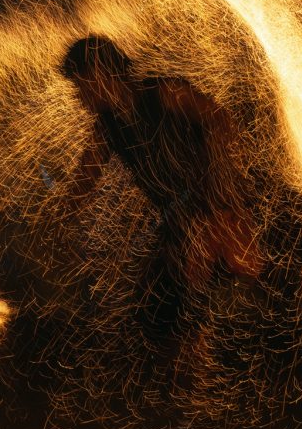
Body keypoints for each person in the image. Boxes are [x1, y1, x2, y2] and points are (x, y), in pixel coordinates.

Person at [58, 35, 263, 365]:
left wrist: (220, 203)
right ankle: (194, 375)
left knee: (247, 278)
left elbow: (220, 121)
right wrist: (60, 220)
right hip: (180, 220)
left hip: (222, 206)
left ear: (99, 72)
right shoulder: (107, 128)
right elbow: (84, 180)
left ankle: (269, 348)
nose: (79, 98)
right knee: (154, 311)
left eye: (81, 86)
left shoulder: (166, 93)